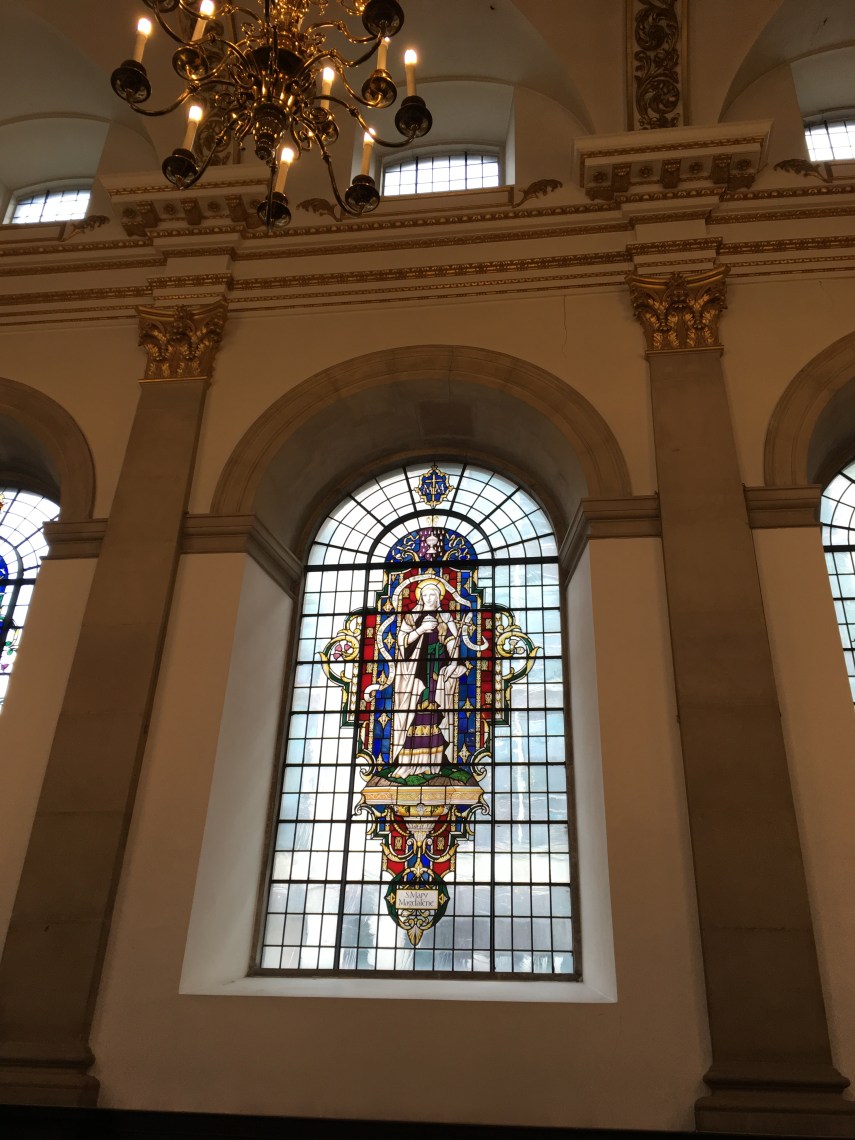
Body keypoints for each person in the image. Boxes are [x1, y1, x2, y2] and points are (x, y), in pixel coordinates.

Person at [391, 577, 466, 778]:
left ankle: (434, 763)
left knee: (435, 712)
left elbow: (452, 642)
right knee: (414, 713)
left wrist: (452, 660)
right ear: (421, 597)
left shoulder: (446, 617)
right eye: (426, 594)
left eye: (434, 594)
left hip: (437, 672)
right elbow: (402, 642)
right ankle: (410, 763)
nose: (430, 597)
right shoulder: (411, 616)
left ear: (439, 597)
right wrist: (421, 629)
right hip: (416, 672)